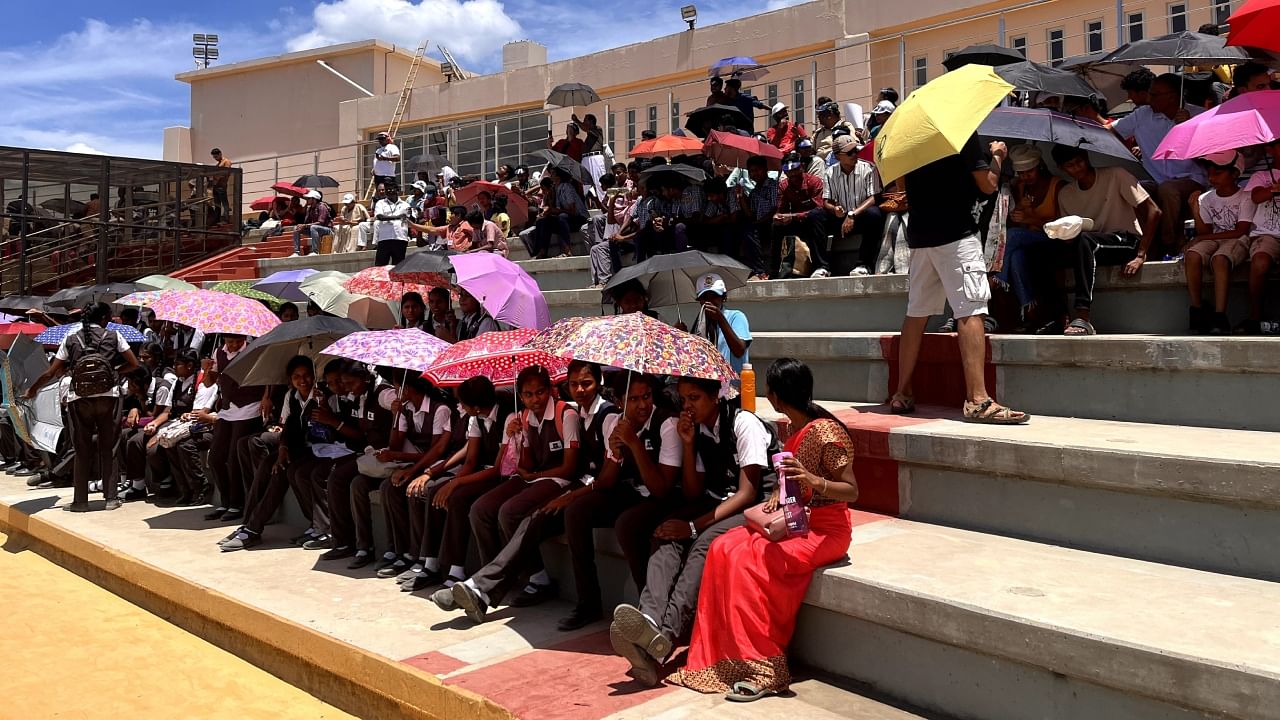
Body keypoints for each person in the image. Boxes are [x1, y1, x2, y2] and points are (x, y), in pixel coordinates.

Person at [671, 358, 858, 701]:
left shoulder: (826, 432)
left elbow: (851, 490)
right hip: (796, 520)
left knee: (753, 561)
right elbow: (788, 482)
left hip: (826, 530)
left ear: (774, 396)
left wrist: (815, 481)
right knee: (724, 548)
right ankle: (725, 660)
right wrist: (776, 494)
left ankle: (764, 669)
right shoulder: (793, 428)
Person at [610, 375, 771, 687]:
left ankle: (665, 636)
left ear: (715, 398)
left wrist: (695, 526)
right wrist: (687, 444)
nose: (687, 406)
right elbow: (695, 494)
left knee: (702, 543)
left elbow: (748, 493)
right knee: (665, 532)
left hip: (753, 505)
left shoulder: (743, 423)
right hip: (713, 500)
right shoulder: (696, 429)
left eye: (695, 398)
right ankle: (650, 621)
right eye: (684, 399)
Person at [440, 362, 609, 623]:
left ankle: (483, 586)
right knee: (482, 509)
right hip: (538, 477)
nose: (535, 399)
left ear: (551, 390)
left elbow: (568, 468)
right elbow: (525, 465)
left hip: (561, 480)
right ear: (520, 396)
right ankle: (504, 581)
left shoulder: (568, 415)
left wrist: (534, 475)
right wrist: (517, 439)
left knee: (512, 511)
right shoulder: (525, 418)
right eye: (528, 395)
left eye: (540, 393)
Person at [890, 134, 1028, 423]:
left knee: (916, 313)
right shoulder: (961, 135)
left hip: (920, 237)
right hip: (956, 235)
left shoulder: (911, 137)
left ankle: (902, 392)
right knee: (971, 310)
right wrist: (998, 156)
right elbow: (988, 185)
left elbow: (902, 187)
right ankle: (978, 399)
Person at [558, 372, 682, 630]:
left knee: (628, 524)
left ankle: (646, 611)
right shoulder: (615, 421)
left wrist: (635, 445)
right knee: (577, 512)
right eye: (633, 399)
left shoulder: (666, 424)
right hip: (632, 490)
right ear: (619, 400)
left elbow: (661, 489)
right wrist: (615, 453)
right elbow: (607, 481)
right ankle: (588, 603)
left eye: (646, 397)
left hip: (666, 497)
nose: (642, 405)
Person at [395, 375, 511, 592]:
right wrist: (451, 482)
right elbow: (470, 460)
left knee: (458, 498)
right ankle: (430, 563)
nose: (459, 406)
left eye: (462, 403)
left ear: (475, 407)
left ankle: (456, 569)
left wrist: (456, 485)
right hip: (480, 473)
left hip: (500, 477)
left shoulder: (508, 416)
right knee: (437, 492)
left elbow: (497, 469)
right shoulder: (475, 418)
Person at [25, 302, 140, 512]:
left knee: (81, 449)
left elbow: (51, 372)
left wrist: (33, 389)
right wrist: (115, 372)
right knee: (110, 448)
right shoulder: (114, 336)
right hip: (109, 397)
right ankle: (111, 498)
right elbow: (134, 364)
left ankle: (80, 501)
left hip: (79, 399)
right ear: (105, 318)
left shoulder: (71, 339)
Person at [1051, 144, 1162, 335]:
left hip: (1126, 240)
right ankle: (1058, 316)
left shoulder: (1116, 175)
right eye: (1071, 165)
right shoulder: (1066, 194)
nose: (1077, 168)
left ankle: (1083, 317)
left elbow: (1155, 211)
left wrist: (1141, 255)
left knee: (1086, 241)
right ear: (1063, 169)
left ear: (1086, 157)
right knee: (1043, 251)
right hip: (1090, 245)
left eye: (1079, 162)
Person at [1113, 73, 1205, 253]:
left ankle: (1168, 243)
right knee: (1134, 190)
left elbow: (1207, 156)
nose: (1149, 99)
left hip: (1191, 178)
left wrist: (1188, 127)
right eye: (1149, 93)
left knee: (1168, 190)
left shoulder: (1199, 115)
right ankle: (1140, 242)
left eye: (1154, 95)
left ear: (1172, 96)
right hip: (1154, 178)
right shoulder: (1142, 115)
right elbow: (1113, 131)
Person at [317, 363, 397, 563]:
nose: (347, 388)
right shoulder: (360, 396)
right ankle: (360, 546)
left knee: (338, 477)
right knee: (355, 484)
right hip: (372, 459)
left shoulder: (384, 394)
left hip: (392, 460)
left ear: (366, 379)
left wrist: (398, 409)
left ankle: (394, 550)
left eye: (351, 383)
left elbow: (399, 408)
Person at [1184, 151, 1255, 335]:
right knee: (1192, 255)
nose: (1211, 177)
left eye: (1218, 172)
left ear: (1235, 174)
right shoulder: (1206, 198)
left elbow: (1241, 231)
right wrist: (1195, 209)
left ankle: (1219, 316)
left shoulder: (1245, 196)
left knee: (1220, 259)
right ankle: (1197, 309)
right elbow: (1204, 232)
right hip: (1214, 237)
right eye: (1210, 172)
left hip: (1237, 239)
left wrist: (1201, 238)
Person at [994, 145, 1065, 328]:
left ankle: (997, 278)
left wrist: (1031, 217)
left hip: (1054, 239)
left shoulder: (1057, 185)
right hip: (1028, 239)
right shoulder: (1019, 187)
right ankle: (1030, 309)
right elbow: (1017, 221)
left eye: (1030, 172)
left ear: (1039, 166)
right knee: (1017, 256)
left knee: (1013, 235)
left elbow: (1062, 226)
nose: (1026, 176)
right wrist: (1019, 210)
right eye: (1022, 173)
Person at [204, 334, 267, 521]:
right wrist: (207, 370)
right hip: (227, 408)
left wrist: (266, 397)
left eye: (237, 342)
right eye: (230, 342)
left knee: (233, 458)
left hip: (248, 407)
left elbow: (267, 376)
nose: (233, 345)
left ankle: (236, 504)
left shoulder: (254, 351)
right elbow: (209, 383)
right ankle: (225, 501)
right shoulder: (218, 353)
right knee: (215, 457)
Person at [822, 135, 885, 277]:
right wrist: (834, 209)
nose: (855, 154)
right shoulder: (830, 172)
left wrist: (852, 214)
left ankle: (864, 264)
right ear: (838, 156)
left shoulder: (869, 168)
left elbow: (874, 197)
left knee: (874, 214)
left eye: (856, 150)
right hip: (841, 218)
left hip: (861, 216)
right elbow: (826, 201)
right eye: (850, 153)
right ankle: (821, 266)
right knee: (815, 217)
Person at [1242, 139, 1280, 335]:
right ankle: (1255, 316)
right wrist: (1274, 188)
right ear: (1270, 150)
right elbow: (1256, 196)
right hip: (1267, 234)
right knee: (1259, 261)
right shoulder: (1261, 175)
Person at [688, 273, 750, 390]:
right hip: (709, 387)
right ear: (700, 300)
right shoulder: (699, 324)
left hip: (733, 388)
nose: (710, 301)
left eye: (714, 296)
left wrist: (720, 319)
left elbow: (739, 350)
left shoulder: (736, 317)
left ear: (723, 297)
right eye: (705, 297)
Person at [772, 156, 831, 277]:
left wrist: (793, 216)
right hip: (798, 221)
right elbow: (781, 208)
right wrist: (778, 217)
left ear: (802, 167)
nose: (792, 174)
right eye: (789, 171)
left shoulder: (814, 181)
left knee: (815, 216)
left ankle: (822, 266)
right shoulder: (784, 186)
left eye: (795, 170)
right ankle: (775, 268)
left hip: (816, 220)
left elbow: (819, 207)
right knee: (776, 226)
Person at [737, 156, 779, 280]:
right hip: (759, 224)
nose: (754, 174)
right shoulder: (754, 192)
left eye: (757, 170)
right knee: (745, 230)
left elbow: (774, 209)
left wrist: (758, 222)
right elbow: (750, 214)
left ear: (765, 169)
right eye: (751, 171)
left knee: (751, 229)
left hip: (772, 223)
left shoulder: (773, 186)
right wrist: (741, 197)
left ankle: (760, 271)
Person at [533, 169, 589, 259]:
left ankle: (567, 250)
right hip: (566, 217)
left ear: (558, 177)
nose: (551, 176)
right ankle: (541, 251)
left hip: (579, 218)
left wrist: (558, 211)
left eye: (553, 174)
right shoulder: (555, 189)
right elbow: (555, 208)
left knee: (562, 217)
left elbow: (572, 211)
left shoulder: (567, 187)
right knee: (543, 221)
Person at [372, 184, 411, 266]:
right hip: (384, 239)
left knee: (398, 267)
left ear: (397, 190)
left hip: (400, 238)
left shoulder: (405, 205)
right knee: (380, 267)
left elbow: (409, 219)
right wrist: (398, 217)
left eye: (391, 189)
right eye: (387, 189)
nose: (389, 191)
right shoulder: (380, 203)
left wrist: (412, 215)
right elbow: (380, 216)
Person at [574, 113, 608, 200]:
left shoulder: (597, 129)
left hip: (595, 158)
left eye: (585, 120)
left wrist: (576, 121)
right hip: (586, 159)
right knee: (585, 183)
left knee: (599, 181)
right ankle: (586, 203)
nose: (584, 122)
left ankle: (603, 202)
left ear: (591, 121)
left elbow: (586, 128)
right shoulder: (589, 134)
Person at [290, 190, 332, 257]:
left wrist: (306, 225)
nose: (307, 200)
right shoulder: (309, 209)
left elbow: (321, 223)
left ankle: (315, 251)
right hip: (315, 229)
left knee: (313, 227)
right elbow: (306, 223)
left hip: (327, 229)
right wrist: (302, 225)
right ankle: (296, 252)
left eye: (309, 198)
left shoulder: (322, 207)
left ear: (314, 199)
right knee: (296, 228)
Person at [210, 148, 233, 224]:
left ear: (220, 154)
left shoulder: (226, 162)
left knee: (224, 202)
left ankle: (226, 218)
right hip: (216, 185)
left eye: (216, 157)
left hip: (221, 185)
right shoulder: (218, 164)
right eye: (214, 157)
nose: (215, 159)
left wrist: (217, 176)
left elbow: (226, 173)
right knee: (217, 203)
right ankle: (217, 219)